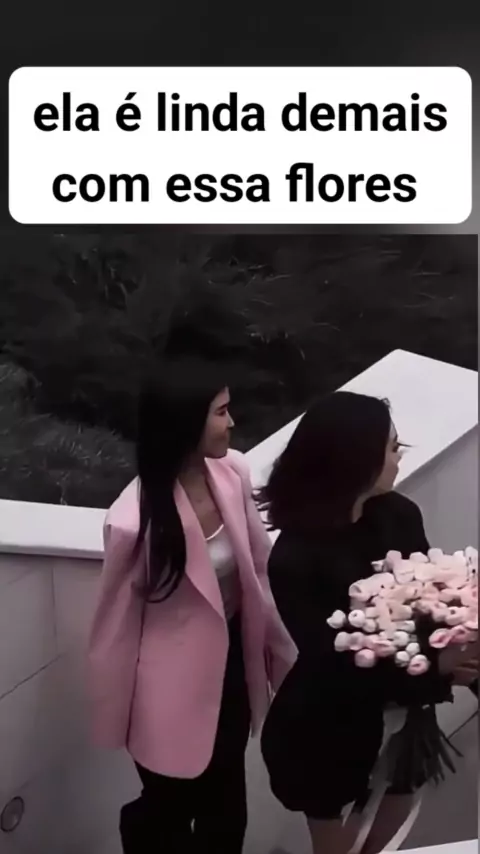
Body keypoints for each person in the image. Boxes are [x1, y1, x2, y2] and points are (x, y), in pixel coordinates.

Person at [88, 356, 296, 854]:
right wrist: (116, 717)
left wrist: (281, 652)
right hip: (165, 691)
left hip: (231, 672)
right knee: (170, 809)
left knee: (227, 810)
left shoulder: (231, 472)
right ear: (184, 421)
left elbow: (258, 570)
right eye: (221, 412)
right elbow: (116, 627)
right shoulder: (133, 520)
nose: (232, 422)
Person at [259, 391, 476, 854]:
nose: (399, 457)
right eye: (392, 447)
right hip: (328, 730)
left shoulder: (399, 514)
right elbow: (331, 665)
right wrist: (439, 674)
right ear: (355, 458)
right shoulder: (296, 557)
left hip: (408, 716)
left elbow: (431, 602)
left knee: (395, 811)